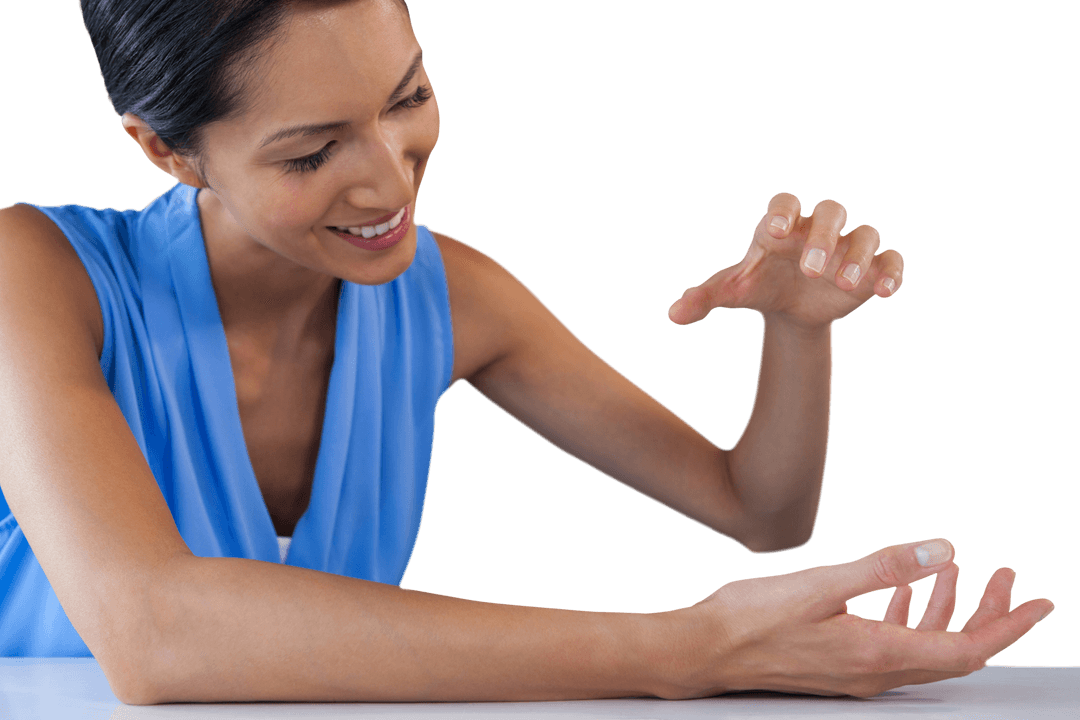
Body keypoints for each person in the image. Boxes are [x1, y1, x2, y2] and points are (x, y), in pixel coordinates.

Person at [0, 0, 1052, 706]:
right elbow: (153, 636)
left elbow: (760, 510)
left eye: (408, 99)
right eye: (313, 153)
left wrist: (798, 330)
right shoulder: (33, 272)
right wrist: (687, 649)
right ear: (166, 148)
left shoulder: (448, 294)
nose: (391, 181)